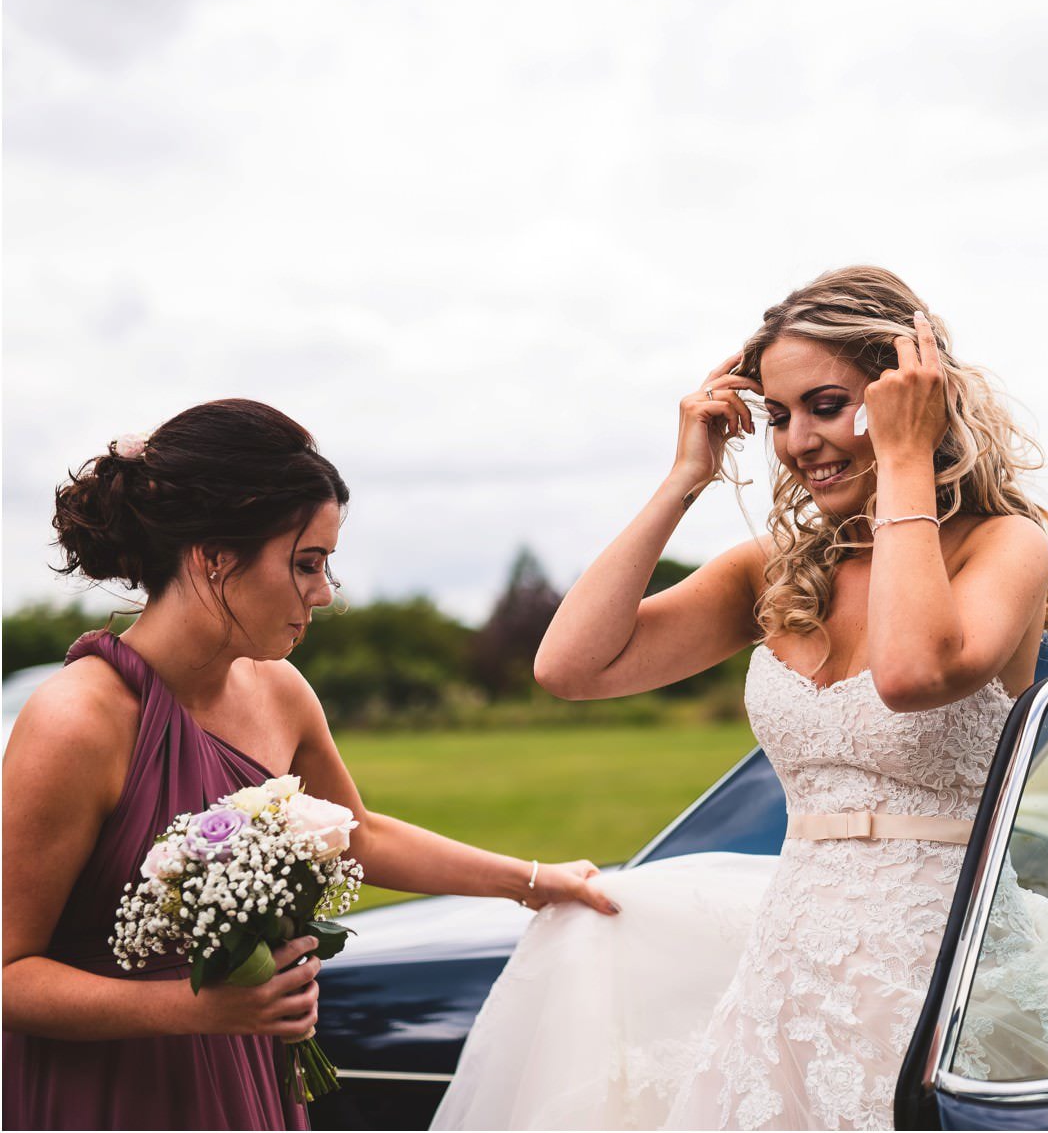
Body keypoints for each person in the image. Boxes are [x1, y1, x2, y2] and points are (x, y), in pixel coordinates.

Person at [435, 267, 1048, 1130]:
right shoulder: (773, 568)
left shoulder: (1003, 546)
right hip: (788, 983)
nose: (799, 440)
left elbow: (913, 675)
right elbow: (571, 669)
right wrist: (685, 478)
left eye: (829, 404)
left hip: (949, 981)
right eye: (778, 415)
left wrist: (908, 459)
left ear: (909, 395)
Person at [1, 399, 617, 1131]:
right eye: (306, 564)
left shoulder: (279, 691)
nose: (325, 595)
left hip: (248, 1076)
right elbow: (10, 974)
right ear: (215, 557)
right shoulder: (77, 720)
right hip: (111, 1094)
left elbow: (358, 835)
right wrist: (199, 1007)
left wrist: (537, 882)